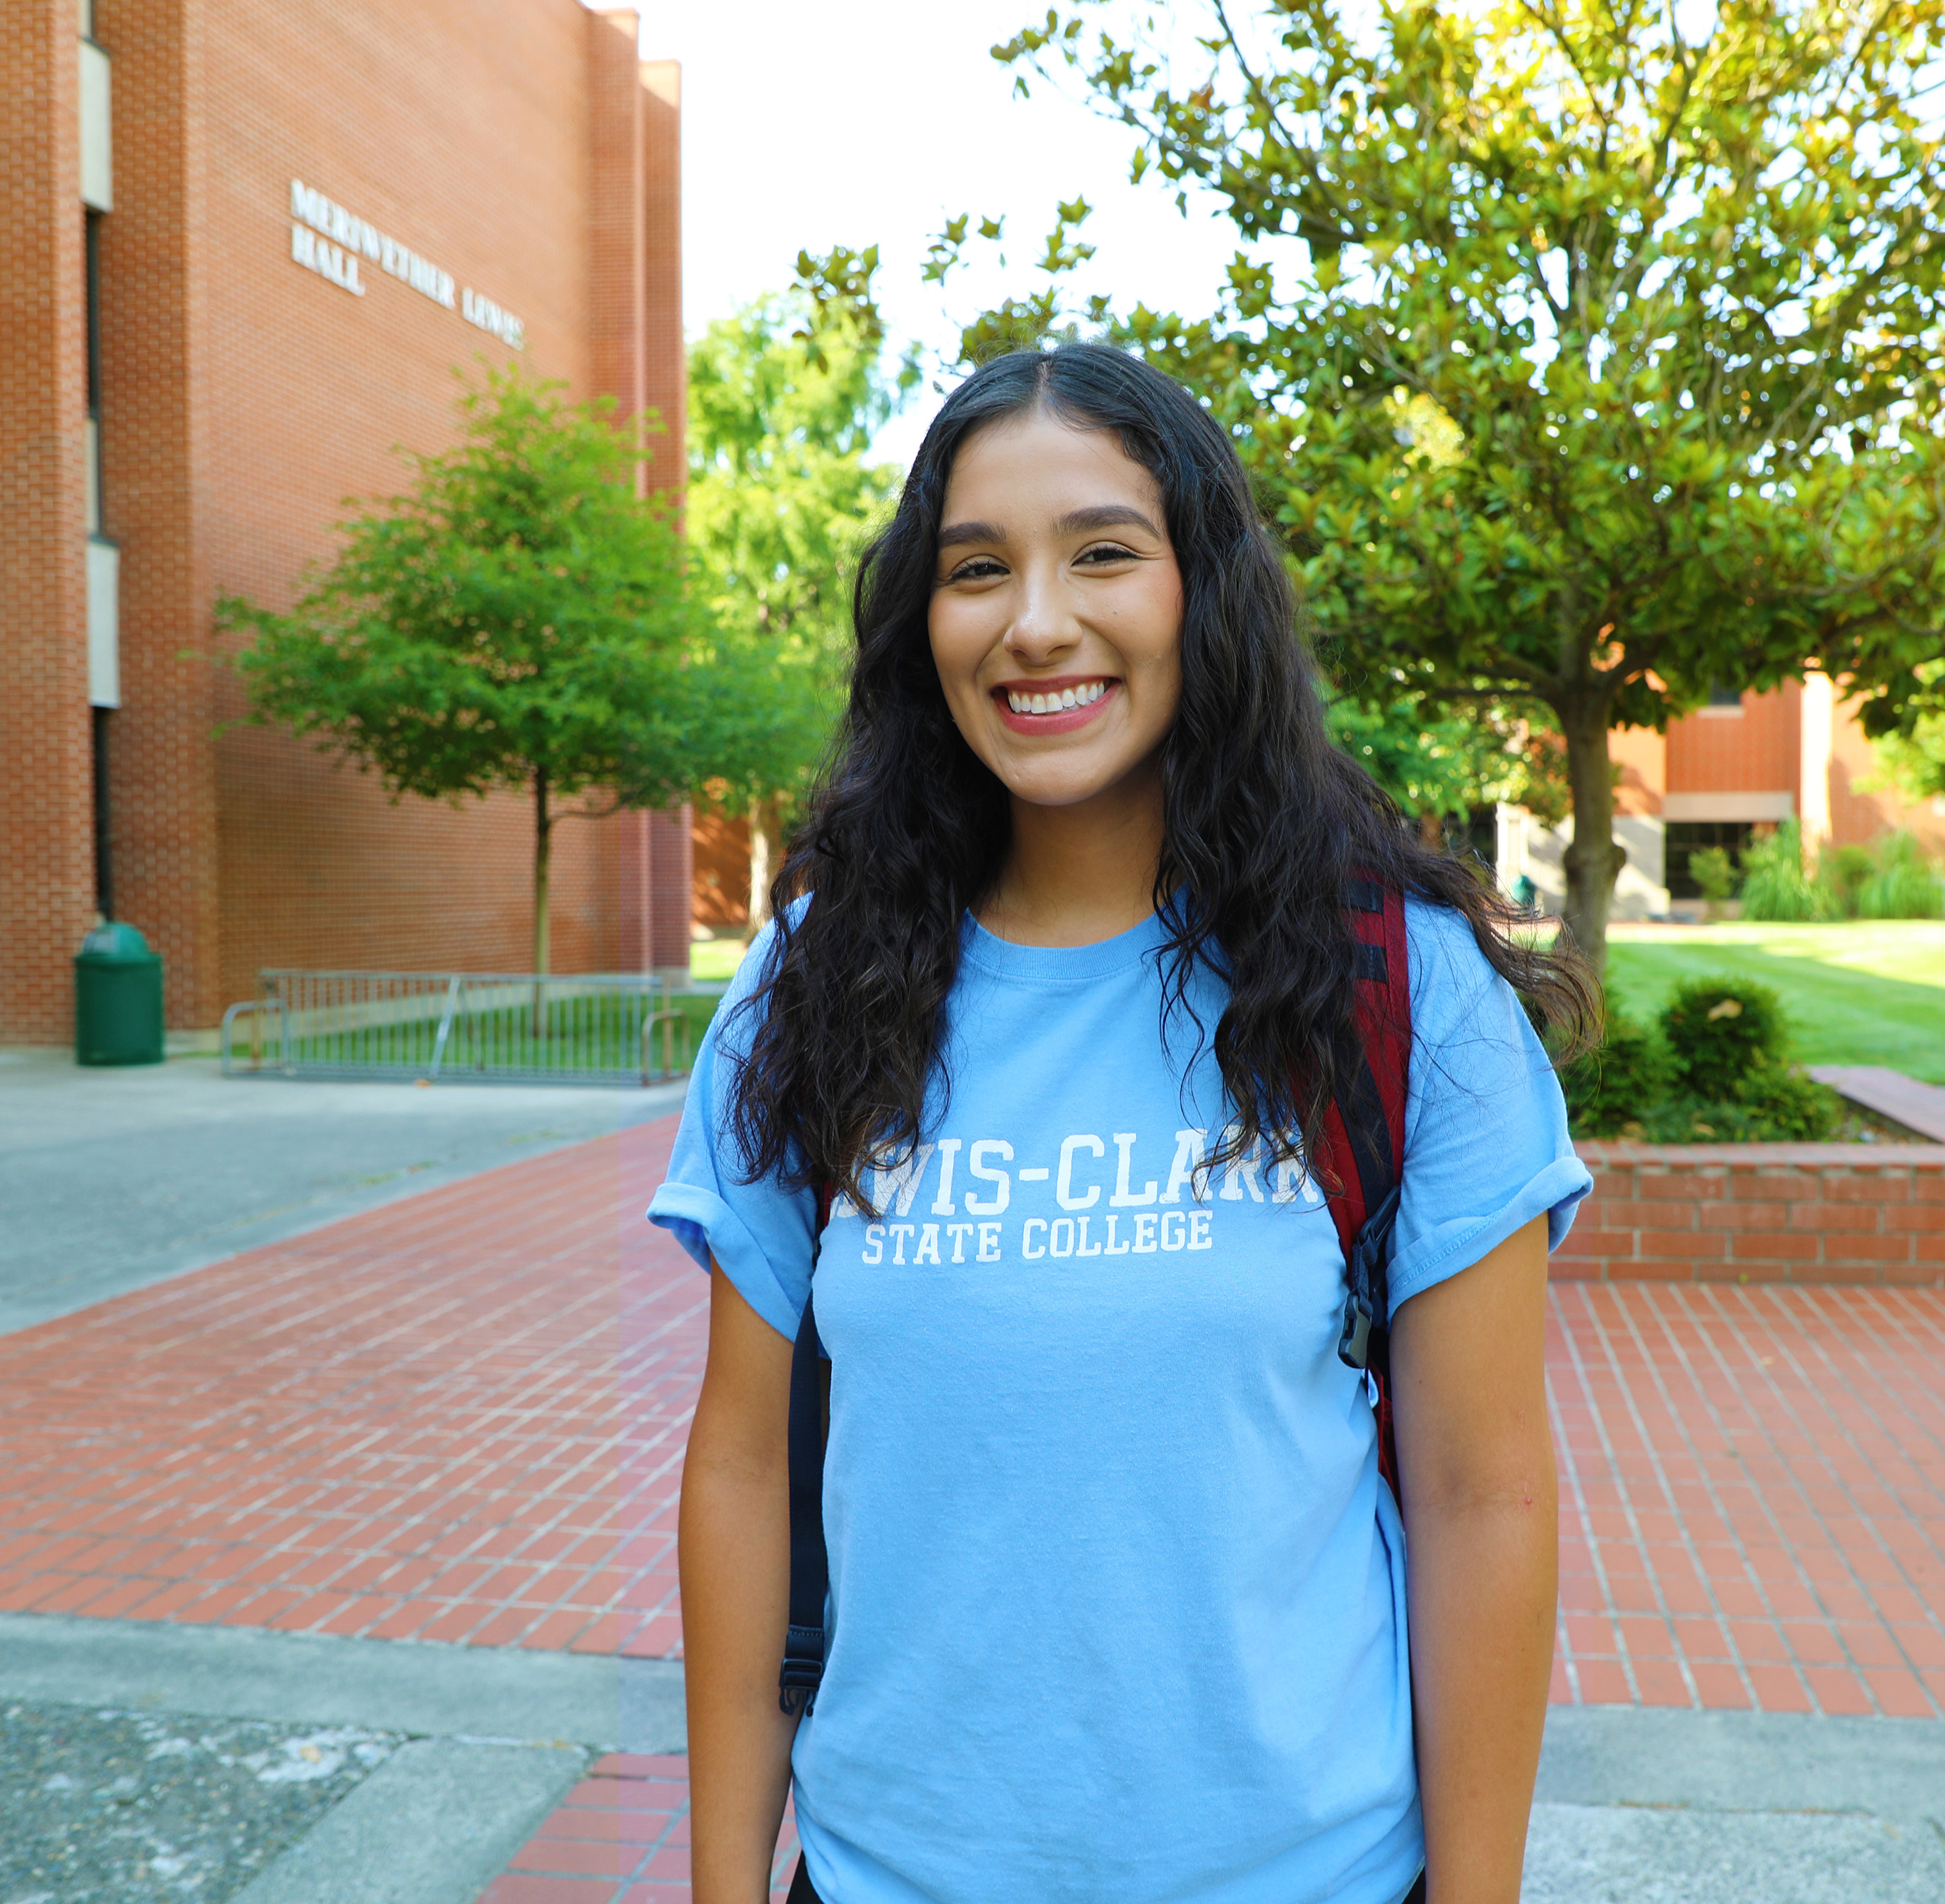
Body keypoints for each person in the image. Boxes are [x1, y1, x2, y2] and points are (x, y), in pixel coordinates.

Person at [654, 342, 1597, 1904]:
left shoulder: (1398, 987)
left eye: (1102, 551)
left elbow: (1480, 1493)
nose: (1035, 622)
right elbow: (744, 1465)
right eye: (975, 569)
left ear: (1201, 592)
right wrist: (719, 1887)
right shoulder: (812, 983)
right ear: (921, 621)